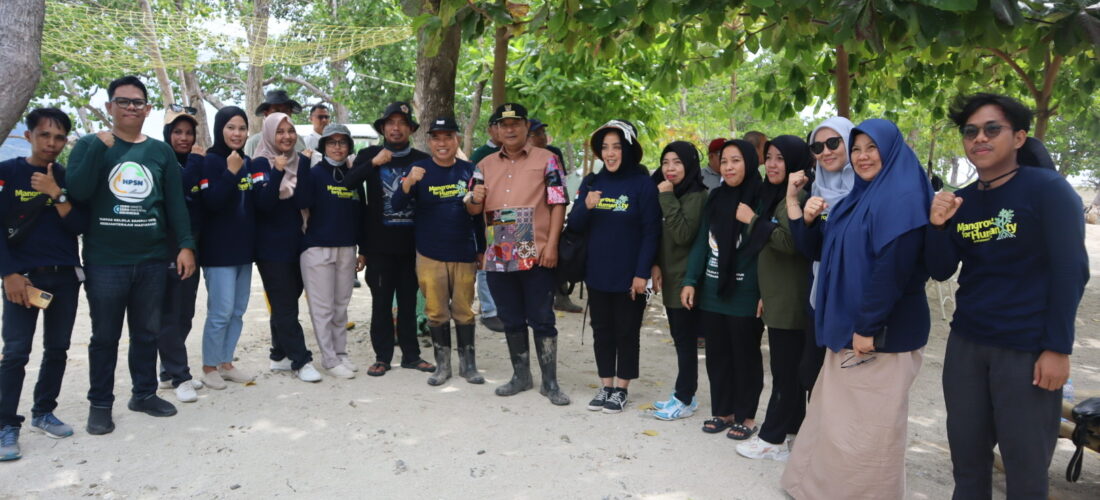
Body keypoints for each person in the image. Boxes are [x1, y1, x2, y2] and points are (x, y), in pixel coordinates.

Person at [928, 94, 1088, 499]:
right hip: (967, 345)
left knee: (1026, 470)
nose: (979, 138)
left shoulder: (1049, 190)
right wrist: (939, 226)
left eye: (991, 129)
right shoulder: (964, 199)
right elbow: (941, 268)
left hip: (1027, 350)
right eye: (970, 131)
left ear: (1019, 137)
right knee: (967, 462)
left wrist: (1057, 347)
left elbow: (1072, 272)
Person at [781, 119, 933, 500]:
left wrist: (866, 327)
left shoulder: (901, 197)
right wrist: (801, 212)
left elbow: (891, 270)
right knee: (836, 420)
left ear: (892, 150)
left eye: (871, 148)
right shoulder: (859, 197)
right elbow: (821, 249)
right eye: (858, 148)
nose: (862, 157)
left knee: (867, 433)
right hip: (847, 328)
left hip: (878, 335)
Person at [66, 75, 196, 434]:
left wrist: (186, 245)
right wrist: (97, 148)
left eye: (138, 102)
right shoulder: (91, 144)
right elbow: (76, 191)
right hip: (106, 261)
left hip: (153, 259)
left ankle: (144, 394)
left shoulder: (160, 152)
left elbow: (174, 204)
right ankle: (100, 404)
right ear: (110, 107)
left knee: (147, 333)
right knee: (105, 336)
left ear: (148, 109)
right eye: (123, 102)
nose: (131, 108)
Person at [467, 102, 570, 406]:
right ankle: (521, 376)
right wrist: (474, 198)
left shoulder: (548, 160)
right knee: (510, 317)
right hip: (499, 248)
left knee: (541, 318)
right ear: (496, 130)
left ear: (526, 127)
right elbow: (472, 207)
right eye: (503, 124)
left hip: (535, 249)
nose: (509, 129)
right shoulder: (484, 165)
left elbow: (558, 203)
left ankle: (550, 383)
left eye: (516, 124)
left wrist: (551, 245)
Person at [0, 108, 85, 461]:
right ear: (28, 136)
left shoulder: (68, 177)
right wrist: (8, 274)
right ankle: (6, 425)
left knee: (57, 349)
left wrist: (56, 193)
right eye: (45, 135)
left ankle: (44, 412)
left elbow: (79, 225)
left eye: (59, 137)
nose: (52, 143)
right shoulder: (7, 173)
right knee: (16, 352)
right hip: (24, 279)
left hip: (64, 275)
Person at [567, 120, 660, 413]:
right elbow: (575, 225)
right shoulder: (592, 183)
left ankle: (621, 388)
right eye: (605, 147)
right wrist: (586, 206)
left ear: (628, 149)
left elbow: (651, 232)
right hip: (597, 273)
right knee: (601, 330)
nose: (610, 153)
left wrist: (641, 274)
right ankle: (605, 385)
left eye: (617, 147)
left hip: (630, 275)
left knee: (626, 332)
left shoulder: (643, 184)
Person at [735, 135, 814, 461]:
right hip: (779, 296)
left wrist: (751, 221)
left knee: (784, 371)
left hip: (793, 299)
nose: (772, 164)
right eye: (769, 157)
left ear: (796, 162)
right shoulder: (776, 197)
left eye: (780, 158)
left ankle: (772, 437)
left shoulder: (797, 198)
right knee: (789, 369)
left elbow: (789, 242)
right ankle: (793, 430)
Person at [391, 117, 486, 386]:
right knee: (435, 311)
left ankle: (469, 366)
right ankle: (443, 366)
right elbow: (397, 204)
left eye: (447, 137)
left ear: (456, 139)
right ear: (430, 142)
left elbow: (477, 215)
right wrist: (408, 182)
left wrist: (481, 249)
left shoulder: (470, 170)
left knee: (464, 310)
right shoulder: (418, 168)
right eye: (436, 138)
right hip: (430, 253)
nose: (442, 143)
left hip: (464, 252)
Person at [680, 140, 765, 441]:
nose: (729, 167)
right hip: (713, 290)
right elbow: (704, 240)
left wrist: (764, 292)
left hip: (746, 292)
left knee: (745, 355)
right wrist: (691, 280)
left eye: (736, 161)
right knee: (717, 355)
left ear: (751, 163)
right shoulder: (715, 198)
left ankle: (747, 416)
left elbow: (767, 249)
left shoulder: (762, 196)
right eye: (725, 161)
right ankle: (724, 411)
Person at [343, 102, 435, 377]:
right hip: (379, 246)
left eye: (402, 123)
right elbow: (348, 183)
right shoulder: (369, 155)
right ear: (382, 128)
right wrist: (373, 163)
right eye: (390, 123)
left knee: (407, 302)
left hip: (411, 246)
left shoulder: (422, 159)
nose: (396, 128)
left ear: (410, 128)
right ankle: (382, 357)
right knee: (381, 303)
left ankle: (411, 356)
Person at [251, 112, 322, 383]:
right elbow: (264, 204)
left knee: (288, 300)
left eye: (290, 131)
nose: (286, 136)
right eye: (280, 131)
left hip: (296, 243)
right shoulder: (259, 163)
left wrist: (300, 165)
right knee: (284, 305)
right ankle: (300, 360)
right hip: (270, 247)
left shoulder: (298, 162)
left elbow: (303, 198)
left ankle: (279, 354)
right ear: (269, 134)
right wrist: (277, 171)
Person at [298, 124, 367, 380]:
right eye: (331, 142)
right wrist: (303, 165)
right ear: (323, 146)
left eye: (342, 142)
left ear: (349, 146)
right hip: (317, 248)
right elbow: (302, 201)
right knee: (323, 308)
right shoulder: (315, 173)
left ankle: (340, 352)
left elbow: (360, 213)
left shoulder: (353, 176)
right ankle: (328, 358)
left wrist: (363, 248)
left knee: (341, 306)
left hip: (347, 248)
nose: (337, 147)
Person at [792, 116, 855, 393]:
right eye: (817, 147)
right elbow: (809, 250)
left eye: (833, 143)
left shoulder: (868, 189)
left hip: (854, 299)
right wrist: (806, 219)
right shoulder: (817, 189)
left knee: (847, 383)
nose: (825, 152)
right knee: (813, 375)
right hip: (819, 296)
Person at [198, 106, 257, 390]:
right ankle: (209, 366)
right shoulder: (210, 161)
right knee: (220, 311)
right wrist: (231, 173)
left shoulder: (246, 161)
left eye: (242, 128)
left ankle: (225, 363)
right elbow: (212, 203)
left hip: (243, 249)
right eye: (231, 127)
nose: (237, 133)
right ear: (220, 128)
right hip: (218, 251)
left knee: (237, 311)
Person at [649, 141, 707, 421]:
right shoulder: (671, 192)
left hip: (688, 280)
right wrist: (656, 263)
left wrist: (667, 198)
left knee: (685, 340)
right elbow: (664, 236)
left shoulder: (697, 196)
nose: (670, 169)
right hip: (671, 276)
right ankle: (686, 395)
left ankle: (684, 397)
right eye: (665, 162)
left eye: (677, 163)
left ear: (690, 165)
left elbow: (683, 235)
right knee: (679, 338)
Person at [157, 105, 205, 403]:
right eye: (178, 132)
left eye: (188, 132)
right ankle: (180, 375)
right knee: (169, 314)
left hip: (193, 249)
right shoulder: (160, 163)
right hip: (166, 250)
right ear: (167, 135)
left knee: (185, 313)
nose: (184, 138)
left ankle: (167, 371)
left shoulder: (195, 164)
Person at [529, 118, 584, 314]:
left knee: (559, 254)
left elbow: (560, 187)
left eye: (542, 133)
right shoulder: (519, 159)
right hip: (528, 222)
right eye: (536, 134)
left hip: (553, 212)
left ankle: (562, 296)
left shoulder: (554, 154)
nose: (541, 137)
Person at [469, 122, 504, 332]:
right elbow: (472, 187)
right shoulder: (481, 155)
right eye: (500, 126)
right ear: (491, 129)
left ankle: (502, 308)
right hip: (483, 217)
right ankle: (489, 310)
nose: (505, 131)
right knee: (485, 262)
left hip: (507, 217)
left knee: (503, 262)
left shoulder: (512, 153)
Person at [244, 89, 306, 157]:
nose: (281, 115)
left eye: (285, 111)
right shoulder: (254, 142)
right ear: (266, 114)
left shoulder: (298, 140)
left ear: (290, 114)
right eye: (276, 112)